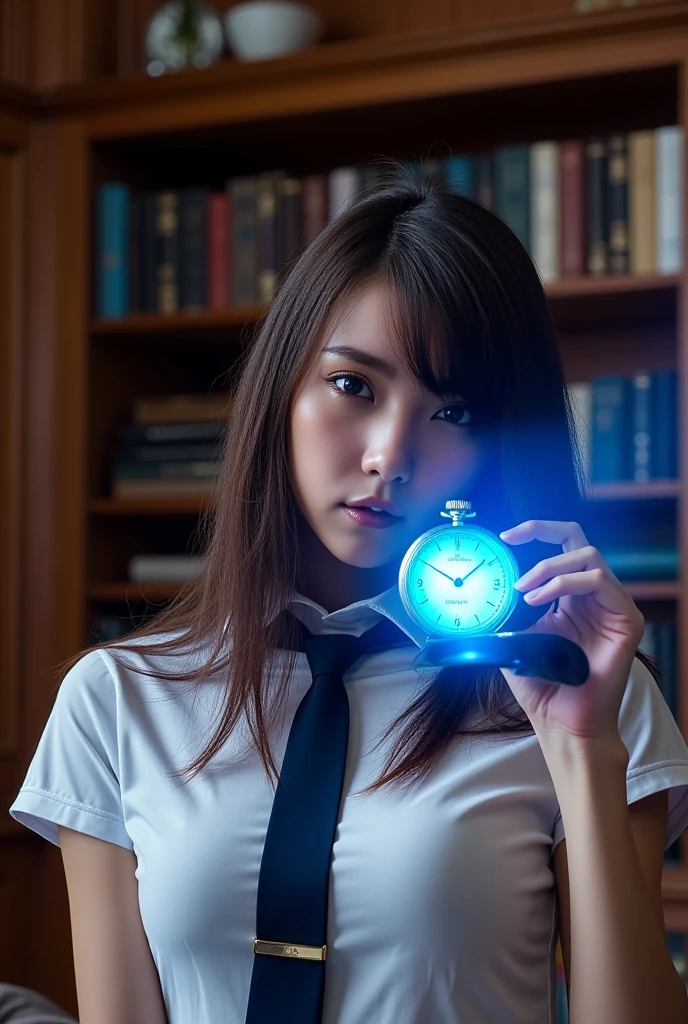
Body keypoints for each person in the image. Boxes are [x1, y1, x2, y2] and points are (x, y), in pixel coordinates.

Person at [9, 161, 688, 1024]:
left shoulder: (581, 692)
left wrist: (583, 755)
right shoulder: (114, 701)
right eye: (352, 386)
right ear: (281, 392)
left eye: (455, 414)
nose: (389, 456)